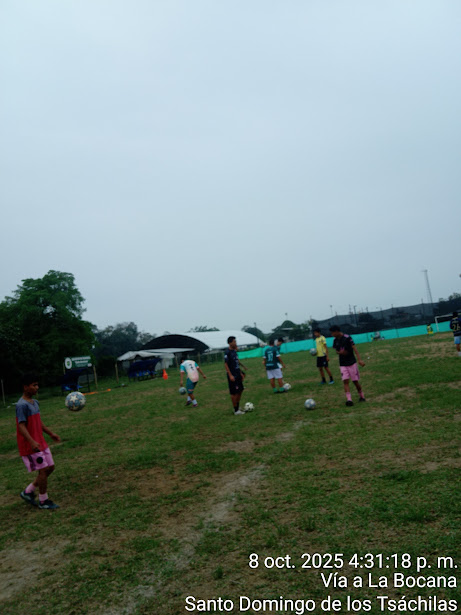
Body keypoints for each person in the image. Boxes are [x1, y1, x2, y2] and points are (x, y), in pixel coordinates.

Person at [16, 373, 61, 510]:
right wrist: (31, 442)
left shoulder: (35, 403)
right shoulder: (21, 405)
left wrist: (50, 433)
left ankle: (28, 491)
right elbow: (21, 426)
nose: (37, 387)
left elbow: (38, 422)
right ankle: (43, 500)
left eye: (37, 385)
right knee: (43, 470)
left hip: (41, 442)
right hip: (31, 446)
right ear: (25, 387)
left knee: (50, 467)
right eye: (34, 385)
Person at [329, 325, 366, 406]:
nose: (332, 335)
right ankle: (349, 400)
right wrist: (340, 352)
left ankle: (361, 396)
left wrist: (359, 360)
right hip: (342, 364)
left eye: (332, 333)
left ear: (336, 331)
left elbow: (354, 348)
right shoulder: (335, 340)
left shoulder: (347, 338)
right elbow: (336, 350)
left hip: (351, 363)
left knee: (355, 381)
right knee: (345, 381)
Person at [224, 336, 248, 415]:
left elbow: (236, 362)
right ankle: (236, 410)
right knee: (234, 393)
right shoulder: (227, 352)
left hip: (237, 374)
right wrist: (230, 375)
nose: (235, 343)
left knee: (240, 390)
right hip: (233, 375)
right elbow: (226, 364)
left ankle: (237, 406)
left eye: (235, 341)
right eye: (234, 342)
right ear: (229, 343)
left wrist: (241, 372)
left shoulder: (234, 351)